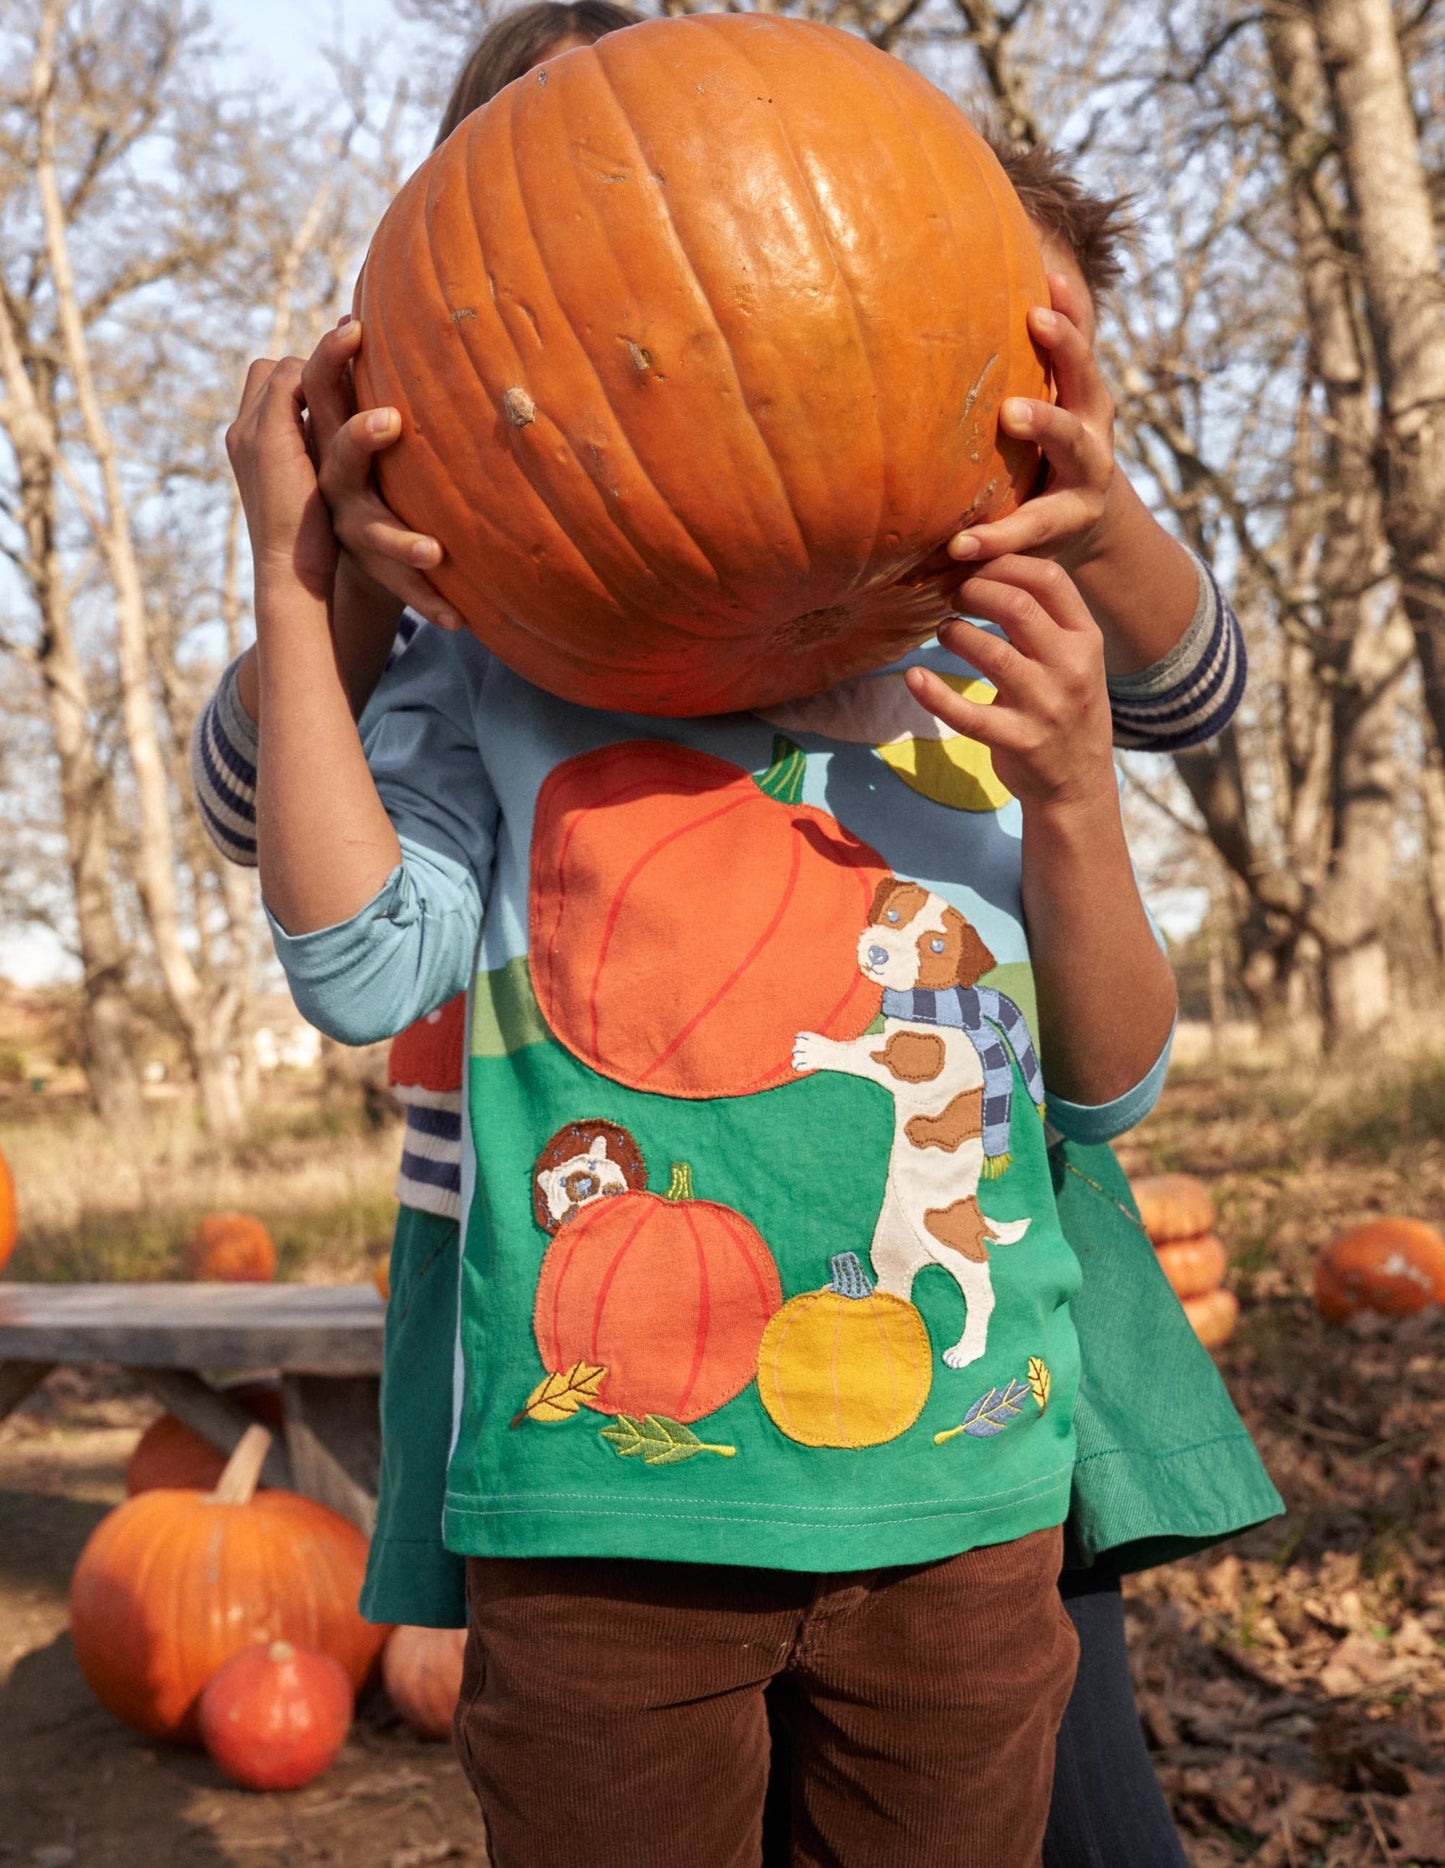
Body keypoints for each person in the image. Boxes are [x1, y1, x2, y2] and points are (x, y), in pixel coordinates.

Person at [194, 11, 1278, 1864]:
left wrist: (1080, 668)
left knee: (1077, 1801)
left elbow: (1168, 790)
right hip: (611, 1462)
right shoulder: (474, 666)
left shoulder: (972, 653)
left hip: (966, 1450)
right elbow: (323, 908)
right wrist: (314, 582)